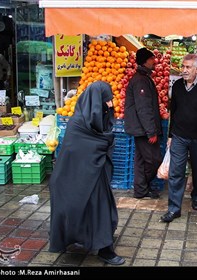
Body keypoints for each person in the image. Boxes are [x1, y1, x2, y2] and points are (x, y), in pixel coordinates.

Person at [49, 81, 125, 265]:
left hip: (92, 173)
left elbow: (101, 138)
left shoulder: (94, 119)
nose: (111, 103)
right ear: (97, 101)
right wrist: (103, 142)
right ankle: (105, 251)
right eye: (107, 99)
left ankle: (103, 243)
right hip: (74, 178)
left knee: (99, 209)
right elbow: (82, 148)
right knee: (98, 209)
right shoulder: (78, 123)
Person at [160, 54, 197, 223]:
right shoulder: (177, 86)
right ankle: (174, 208)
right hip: (179, 136)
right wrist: (170, 135)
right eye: (183, 67)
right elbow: (174, 112)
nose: (184, 70)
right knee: (176, 172)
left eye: (188, 67)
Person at [124, 47, 162, 199]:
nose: (155, 61)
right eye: (152, 58)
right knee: (154, 160)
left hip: (140, 127)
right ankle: (142, 187)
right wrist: (151, 131)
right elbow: (143, 108)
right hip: (142, 128)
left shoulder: (143, 77)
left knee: (140, 160)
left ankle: (141, 190)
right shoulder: (141, 80)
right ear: (146, 61)